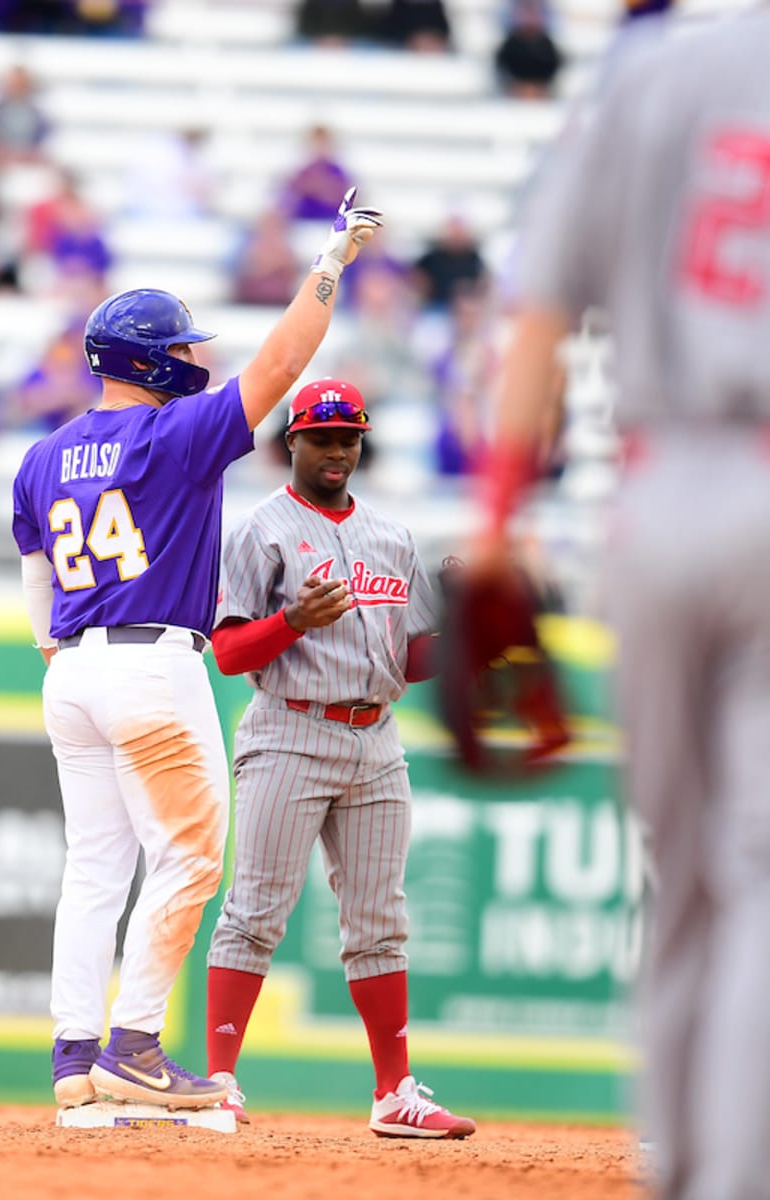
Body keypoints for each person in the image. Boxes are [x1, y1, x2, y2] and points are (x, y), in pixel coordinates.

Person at [470, 10, 770, 1198]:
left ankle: (685, 1172)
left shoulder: (654, 70)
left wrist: (495, 529)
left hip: (652, 499)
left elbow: (540, 316)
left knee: (685, 873)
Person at [11, 189, 383, 1111]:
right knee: (188, 861)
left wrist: (53, 647)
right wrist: (330, 266)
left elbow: (34, 572)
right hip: (150, 663)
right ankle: (135, 1046)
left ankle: (72, 1058)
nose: (192, 359)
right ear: (147, 359)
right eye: (180, 349)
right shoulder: (175, 433)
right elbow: (285, 361)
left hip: (76, 669)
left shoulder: (44, 453)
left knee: (95, 866)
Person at [202, 376, 476, 1137]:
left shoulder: (393, 536)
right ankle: (219, 1082)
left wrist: (460, 638)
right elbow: (226, 652)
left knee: (381, 919)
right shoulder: (260, 530)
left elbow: (408, 659)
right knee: (255, 911)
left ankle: (394, 1093)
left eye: (348, 436)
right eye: (321, 436)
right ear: (291, 441)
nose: (336, 449)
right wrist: (290, 621)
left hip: (376, 738)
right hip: (290, 728)